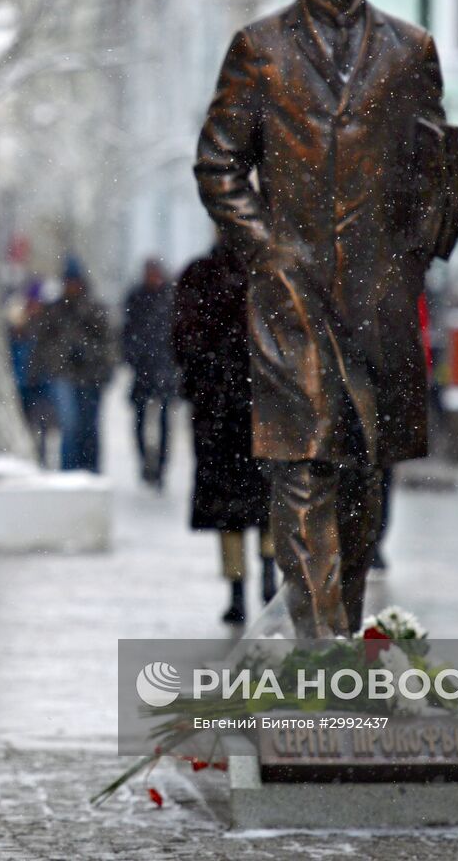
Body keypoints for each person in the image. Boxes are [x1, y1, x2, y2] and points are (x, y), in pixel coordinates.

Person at [194, 0, 458, 638]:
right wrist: (267, 249)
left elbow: (432, 163)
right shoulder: (259, 49)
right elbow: (219, 165)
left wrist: (425, 232)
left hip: (380, 299)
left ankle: (344, 634)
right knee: (303, 467)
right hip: (290, 297)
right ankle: (318, 646)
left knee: (362, 474)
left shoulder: (411, 50)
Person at [174, 234, 276, 624]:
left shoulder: (200, 276)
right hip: (263, 407)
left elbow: (183, 341)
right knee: (268, 497)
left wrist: (205, 380)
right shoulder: (269, 273)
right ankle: (267, 575)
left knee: (228, 509)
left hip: (216, 410)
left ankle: (237, 590)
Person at [31, 258, 114, 472]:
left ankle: (90, 469)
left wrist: (89, 355)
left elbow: (107, 345)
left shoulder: (93, 309)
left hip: (90, 377)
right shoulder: (55, 310)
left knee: (89, 426)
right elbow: (42, 343)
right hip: (64, 375)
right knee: (69, 425)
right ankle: (69, 470)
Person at [121, 258, 178, 489]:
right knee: (141, 419)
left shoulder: (168, 298)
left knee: (163, 420)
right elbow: (128, 331)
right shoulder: (138, 297)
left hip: (164, 367)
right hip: (145, 368)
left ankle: (161, 467)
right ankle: (146, 463)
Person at [9, 280, 55, 466]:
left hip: (41, 382)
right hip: (24, 382)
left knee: (42, 423)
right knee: (27, 423)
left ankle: (41, 458)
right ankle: (31, 458)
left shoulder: (46, 324)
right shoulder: (20, 325)